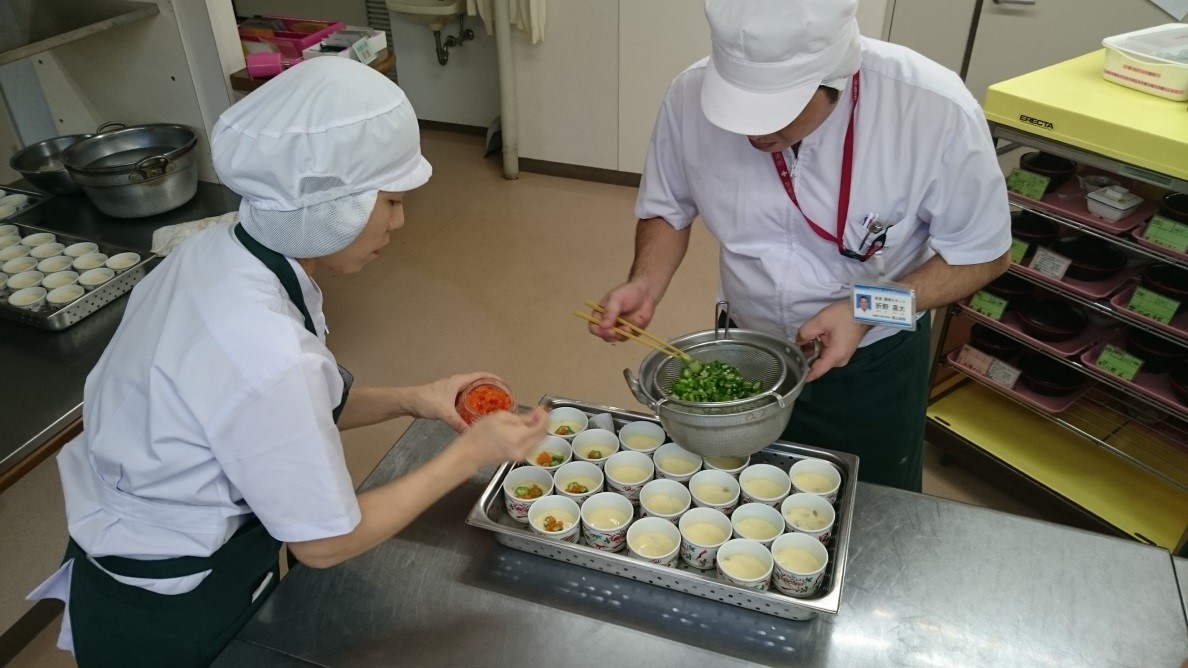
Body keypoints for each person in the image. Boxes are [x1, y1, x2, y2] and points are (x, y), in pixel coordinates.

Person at [27, 58, 546, 666]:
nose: (400, 222)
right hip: (172, 605)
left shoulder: (216, 252)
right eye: (392, 202)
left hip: (149, 542)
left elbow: (288, 410)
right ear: (333, 206)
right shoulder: (265, 349)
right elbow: (324, 545)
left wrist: (415, 399)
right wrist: (467, 456)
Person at [590, 0, 1011, 492]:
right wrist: (645, 282)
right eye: (739, 107)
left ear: (836, 77)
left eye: (777, 112)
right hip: (745, 349)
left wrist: (864, 310)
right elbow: (669, 206)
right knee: (739, 498)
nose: (755, 130)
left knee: (869, 505)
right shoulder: (688, 94)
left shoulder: (933, 108)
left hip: (874, 361)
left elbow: (984, 254)